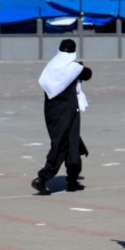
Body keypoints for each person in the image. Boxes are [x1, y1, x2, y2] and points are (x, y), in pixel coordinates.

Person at [32, 38, 90, 194]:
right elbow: (87, 73)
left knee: (73, 143)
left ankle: (72, 181)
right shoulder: (73, 68)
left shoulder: (51, 66)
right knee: (62, 145)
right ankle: (42, 179)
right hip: (67, 111)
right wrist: (80, 66)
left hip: (51, 111)